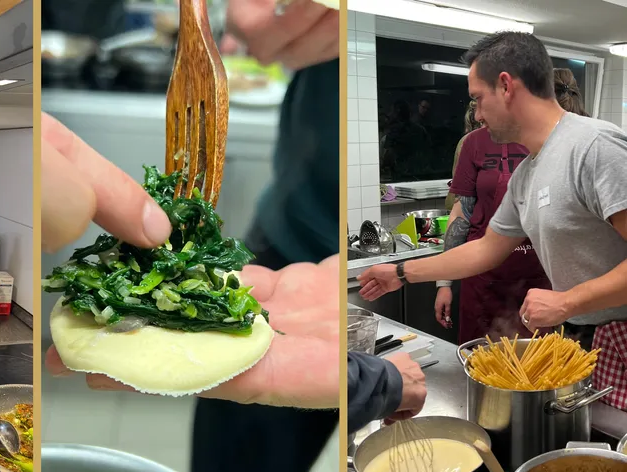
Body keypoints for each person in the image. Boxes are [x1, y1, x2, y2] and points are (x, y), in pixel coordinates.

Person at [41, 109, 427, 439]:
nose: (475, 110)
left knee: (275, 432)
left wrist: (377, 382)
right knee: (234, 432)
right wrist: (380, 382)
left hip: (308, 253)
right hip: (282, 231)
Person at [359, 31, 627, 412]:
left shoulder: (595, 148)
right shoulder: (529, 174)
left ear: (506, 86)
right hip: (586, 335)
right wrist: (401, 273)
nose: (477, 114)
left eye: (477, 99)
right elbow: (486, 248)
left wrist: (566, 301)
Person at [434, 69, 593, 343]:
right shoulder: (474, 144)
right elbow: (465, 215)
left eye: (481, 100)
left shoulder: (579, 146)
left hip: (545, 282)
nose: (479, 115)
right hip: (484, 279)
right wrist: (442, 282)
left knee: (542, 369)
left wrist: (574, 295)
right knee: (482, 364)